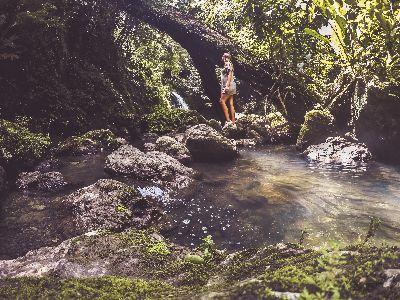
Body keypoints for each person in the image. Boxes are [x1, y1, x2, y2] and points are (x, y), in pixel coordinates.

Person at [219, 52, 237, 129]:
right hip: (232, 85)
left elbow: (230, 75)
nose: (223, 58)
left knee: (222, 101)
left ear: (226, 58)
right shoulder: (229, 64)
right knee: (230, 103)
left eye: (224, 57)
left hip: (228, 86)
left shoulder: (228, 63)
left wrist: (226, 86)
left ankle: (228, 121)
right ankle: (233, 123)